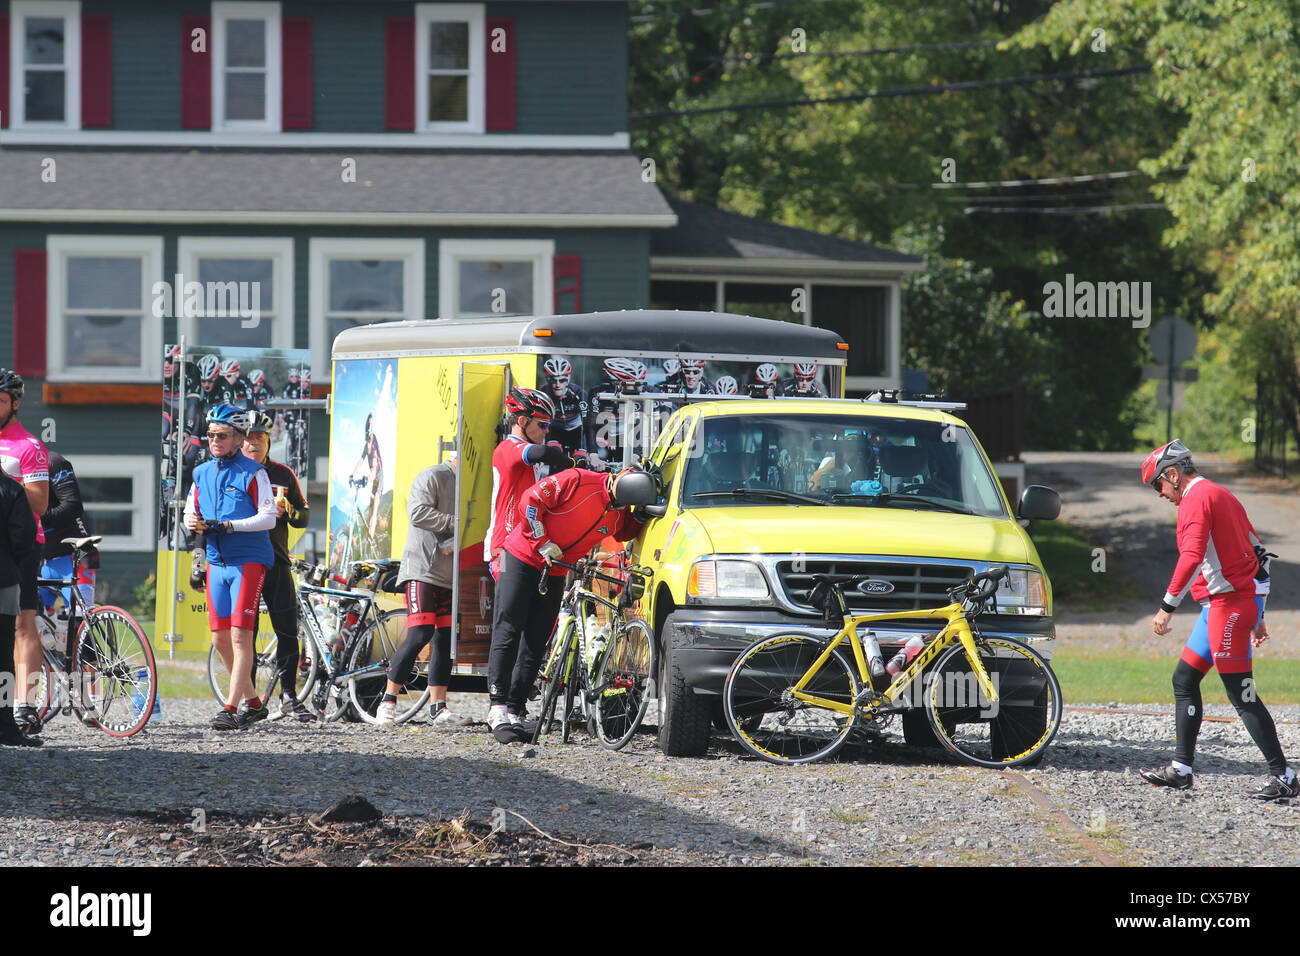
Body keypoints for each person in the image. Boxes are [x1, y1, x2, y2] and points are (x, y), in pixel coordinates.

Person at [1137, 439, 1297, 800]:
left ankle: (1284, 774)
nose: (1160, 494)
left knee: (1241, 693)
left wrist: (1166, 606)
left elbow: (1191, 556)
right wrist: (1259, 613)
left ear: (1173, 474)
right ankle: (1182, 769)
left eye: (1158, 485)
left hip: (1228, 605)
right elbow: (1259, 553)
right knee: (1185, 678)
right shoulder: (1220, 494)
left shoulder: (1196, 499)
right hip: (1226, 604)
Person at [486, 464, 658, 742]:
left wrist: (642, 513)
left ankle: (516, 709)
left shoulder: (618, 512)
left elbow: (625, 532)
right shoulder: (578, 480)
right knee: (508, 629)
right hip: (521, 556)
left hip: (556, 568)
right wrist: (540, 540)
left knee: (537, 639)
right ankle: (497, 708)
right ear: (620, 476)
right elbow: (531, 500)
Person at [184, 403, 278, 731]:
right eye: (210, 435)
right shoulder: (201, 472)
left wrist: (229, 526)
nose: (214, 440)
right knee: (219, 640)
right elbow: (188, 513)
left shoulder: (255, 473)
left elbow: (268, 517)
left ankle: (230, 706)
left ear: (237, 438)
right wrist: (194, 521)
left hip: (248, 560)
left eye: (222, 435)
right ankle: (254, 702)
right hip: (215, 562)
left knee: (240, 637)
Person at [376, 453, 472, 728]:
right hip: (421, 569)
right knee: (420, 633)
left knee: (445, 639)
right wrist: (457, 522)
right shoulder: (434, 475)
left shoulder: (473, 486)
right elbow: (417, 512)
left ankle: (438, 708)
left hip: (450, 573)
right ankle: (388, 701)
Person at [242, 411, 314, 721]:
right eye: (248, 437)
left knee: (288, 631)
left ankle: (289, 697)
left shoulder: (283, 474)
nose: (253, 442)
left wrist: (289, 513)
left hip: (277, 561)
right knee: (246, 634)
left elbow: (305, 515)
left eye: (260, 437)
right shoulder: (234, 473)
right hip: (244, 564)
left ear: (270, 441)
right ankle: (250, 701)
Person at [0, 369, 51, 736]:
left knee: (22, 622)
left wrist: (7, 481)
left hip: (21, 543)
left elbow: (41, 503)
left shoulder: (29, 446)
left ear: (14, 404)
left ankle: (24, 704)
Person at [484, 387, 570, 580]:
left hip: (529, 542)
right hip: (503, 546)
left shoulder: (528, 453)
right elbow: (542, 453)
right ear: (522, 421)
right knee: (511, 608)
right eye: (542, 425)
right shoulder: (507, 448)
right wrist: (567, 461)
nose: (546, 432)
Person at [0, 471, 38, 746]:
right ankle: (6, 728)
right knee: (3, 657)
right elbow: (24, 539)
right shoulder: (11, 490)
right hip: (3, 580)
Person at [39, 451, 98, 614]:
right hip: (41, 561)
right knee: (31, 622)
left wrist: (34, 515)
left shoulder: (52, 462)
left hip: (76, 555)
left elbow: (73, 507)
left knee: (79, 620)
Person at [541, 357, 587, 455]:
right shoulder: (544, 394)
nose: (558, 385)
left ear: (568, 380)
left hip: (576, 431)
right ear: (548, 380)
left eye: (562, 380)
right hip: (554, 430)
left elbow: (587, 420)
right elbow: (541, 420)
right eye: (554, 381)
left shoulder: (578, 393)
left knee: (580, 458)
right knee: (554, 454)